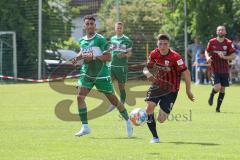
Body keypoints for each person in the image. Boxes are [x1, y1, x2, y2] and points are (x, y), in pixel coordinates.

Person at [72, 15, 133, 137]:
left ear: (95, 26)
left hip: (101, 75)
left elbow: (108, 57)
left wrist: (94, 57)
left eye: (91, 24)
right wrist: (77, 57)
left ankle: (128, 121)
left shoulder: (101, 40)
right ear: (84, 26)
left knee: (114, 100)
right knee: (80, 97)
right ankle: (85, 127)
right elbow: (82, 51)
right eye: (87, 24)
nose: (89, 26)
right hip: (87, 73)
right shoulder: (82, 40)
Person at [143, 34, 195, 143]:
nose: (163, 46)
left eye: (165, 44)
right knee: (149, 108)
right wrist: (147, 73)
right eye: (160, 44)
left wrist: (188, 91)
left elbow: (186, 73)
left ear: (168, 44)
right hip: (157, 85)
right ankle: (155, 137)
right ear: (157, 44)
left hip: (171, 90)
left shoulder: (175, 57)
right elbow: (146, 68)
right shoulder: (154, 53)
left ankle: (156, 112)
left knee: (161, 119)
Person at [205, 25, 236, 112]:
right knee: (217, 87)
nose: (220, 31)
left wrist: (224, 57)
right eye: (219, 30)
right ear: (216, 32)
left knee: (222, 89)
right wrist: (207, 58)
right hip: (215, 68)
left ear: (225, 32)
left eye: (222, 30)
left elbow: (233, 56)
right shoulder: (212, 42)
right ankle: (212, 94)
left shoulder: (229, 43)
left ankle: (218, 108)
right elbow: (206, 51)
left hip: (225, 69)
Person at [107, 22, 133, 111]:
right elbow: (112, 50)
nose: (119, 29)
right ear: (115, 29)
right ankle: (113, 102)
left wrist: (124, 55)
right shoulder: (112, 38)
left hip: (121, 67)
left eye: (120, 28)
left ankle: (121, 103)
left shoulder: (127, 40)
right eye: (117, 28)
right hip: (112, 66)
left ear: (123, 29)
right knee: (108, 84)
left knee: (121, 87)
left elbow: (129, 53)